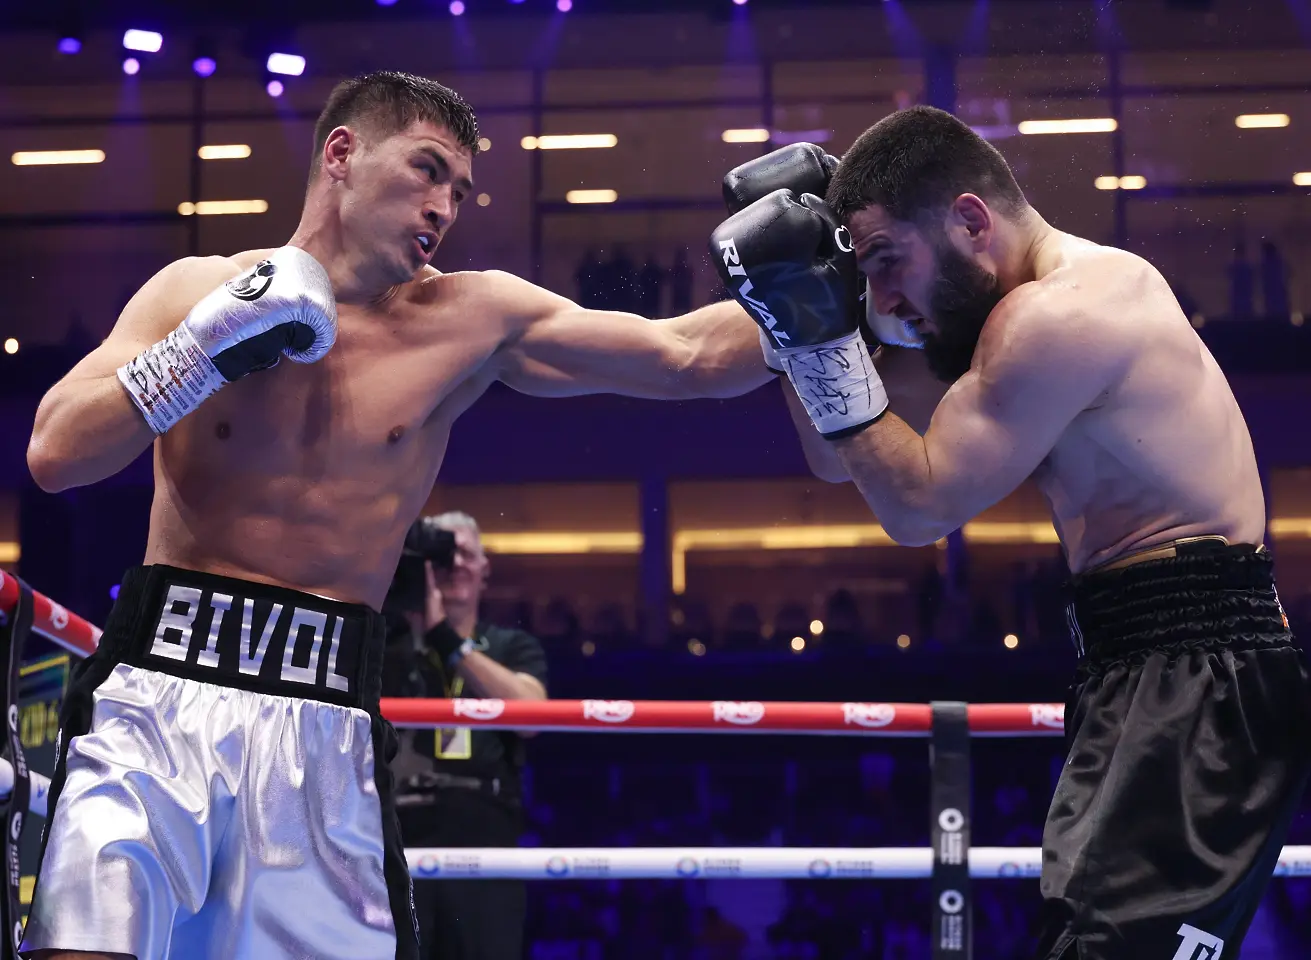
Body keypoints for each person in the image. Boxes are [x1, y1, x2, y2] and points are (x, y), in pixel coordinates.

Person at [22, 70, 781, 960]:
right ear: (341, 154)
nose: (445, 206)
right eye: (426, 170)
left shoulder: (467, 320)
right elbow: (55, 453)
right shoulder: (199, 287)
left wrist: (827, 300)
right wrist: (205, 348)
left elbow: (683, 354)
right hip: (155, 697)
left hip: (323, 725)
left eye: (459, 190)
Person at [710, 109, 1310, 959]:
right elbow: (844, 462)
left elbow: (915, 507)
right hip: (1156, 665)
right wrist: (803, 336)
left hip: (1192, 671)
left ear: (968, 220)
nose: (883, 301)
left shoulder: (1057, 318)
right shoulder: (1027, 320)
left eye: (885, 263)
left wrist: (824, 346)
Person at [381, 512, 545, 960]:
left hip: (483, 831)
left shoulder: (511, 646)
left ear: (485, 569)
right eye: (443, 555)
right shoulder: (383, 645)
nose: (456, 564)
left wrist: (446, 640)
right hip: (397, 834)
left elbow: (531, 715)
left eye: (466, 554)